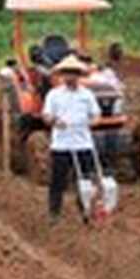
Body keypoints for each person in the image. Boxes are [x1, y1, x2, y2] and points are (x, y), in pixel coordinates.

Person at [42, 55, 102, 224]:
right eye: (67, 73)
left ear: (79, 75)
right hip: (61, 144)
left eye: (74, 73)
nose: (71, 76)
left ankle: (86, 211)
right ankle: (54, 213)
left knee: (85, 180)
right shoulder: (54, 95)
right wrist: (55, 121)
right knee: (58, 180)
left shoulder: (87, 95)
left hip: (83, 143)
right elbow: (46, 115)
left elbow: (96, 114)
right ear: (62, 75)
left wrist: (92, 122)